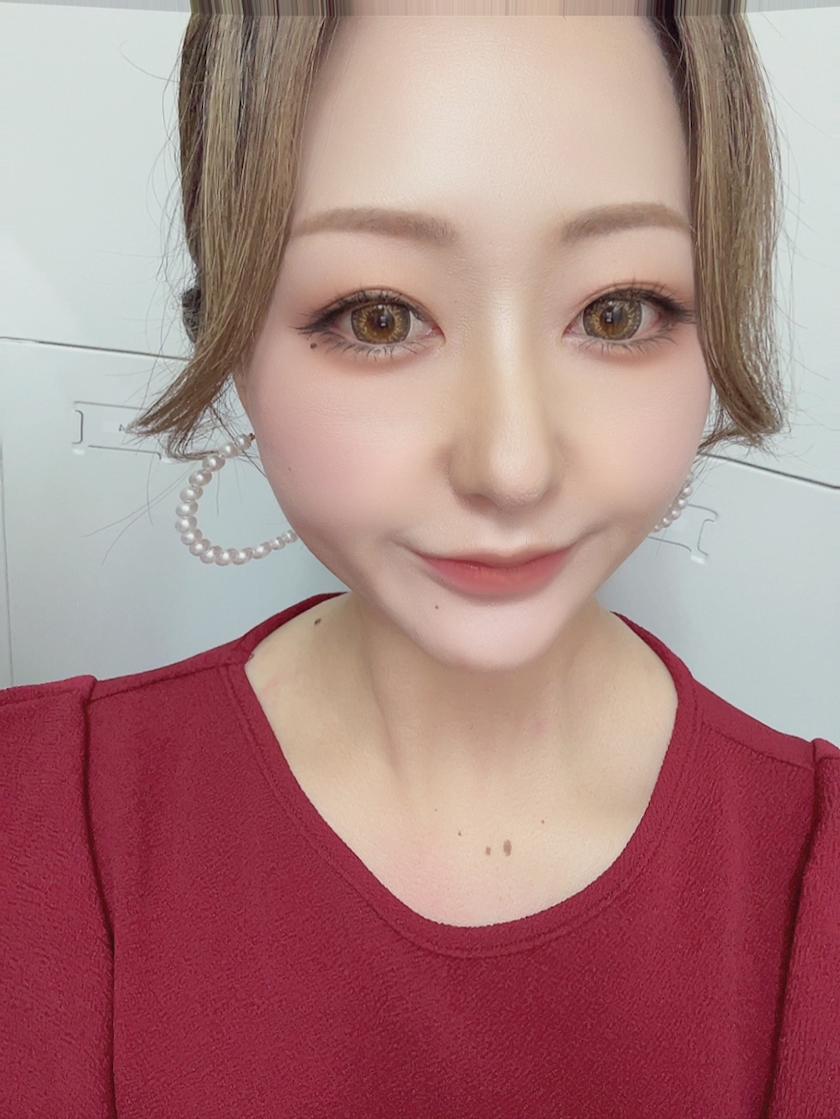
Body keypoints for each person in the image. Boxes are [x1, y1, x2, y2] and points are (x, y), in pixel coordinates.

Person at [1, 8, 837, 1118]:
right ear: (232, 335)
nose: (511, 465)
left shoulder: (815, 883)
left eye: (616, 312)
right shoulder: (34, 823)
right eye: (380, 318)